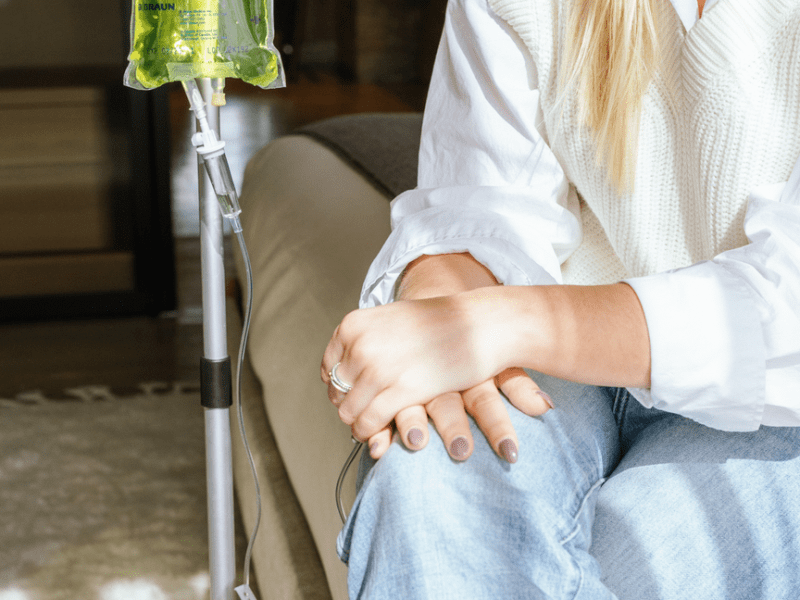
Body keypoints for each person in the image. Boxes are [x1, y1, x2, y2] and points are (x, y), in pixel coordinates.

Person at [321, 0, 800, 597]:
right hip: (567, 356)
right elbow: (478, 201)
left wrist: (497, 325)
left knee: (630, 570)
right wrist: (437, 305)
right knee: (422, 485)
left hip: (783, 402)